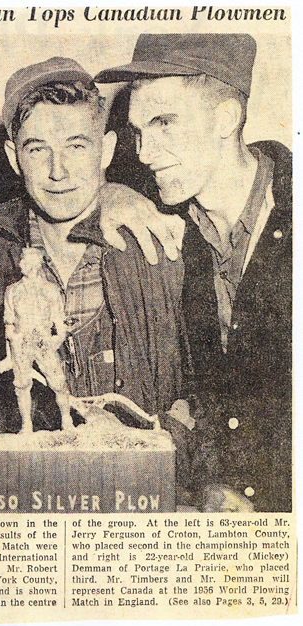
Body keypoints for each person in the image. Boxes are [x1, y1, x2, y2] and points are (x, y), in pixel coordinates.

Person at [96, 34, 292, 512]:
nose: (144, 151)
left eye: (165, 123)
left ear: (226, 118)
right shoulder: (173, 226)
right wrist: (105, 192)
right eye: (138, 131)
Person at [0, 57, 187, 434]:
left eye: (77, 146)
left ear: (108, 149)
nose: (58, 170)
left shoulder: (161, 245)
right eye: (37, 149)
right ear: (13, 159)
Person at [0, 247, 73, 433]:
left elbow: (59, 319)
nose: (21, 264)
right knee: (22, 385)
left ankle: (67, 420)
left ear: (36, 264)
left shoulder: (50, 290)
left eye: (25, 261)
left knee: (58, 383)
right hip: (21, 344)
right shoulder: (12, 290)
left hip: (44, 342)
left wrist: (59, 338)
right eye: (22, 260)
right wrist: (10, 350)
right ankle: (26, 425)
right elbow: (8, 322)